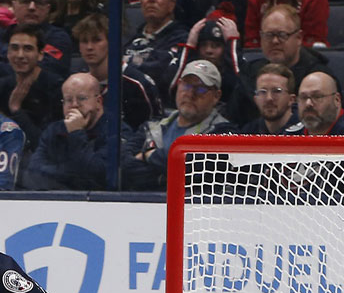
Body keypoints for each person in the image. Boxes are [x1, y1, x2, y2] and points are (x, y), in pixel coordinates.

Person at [122, 60, 231, 190]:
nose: (190, 94)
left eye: (201, 89)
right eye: (187, 86)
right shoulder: (151, 127)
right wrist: (170, 176)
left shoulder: (225, 132)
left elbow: (197, 166)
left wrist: (148, 155)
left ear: (216, 96)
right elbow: (124, 166)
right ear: (178, 85)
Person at [21, 73, 138, 190]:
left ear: (98, 101)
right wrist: (74, 175)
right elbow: (34, 171)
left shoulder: (117, 131)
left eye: (82, 98)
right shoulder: (54, 130)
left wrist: (76, 132)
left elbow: (99, 175)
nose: (74, 105)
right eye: (68, 100)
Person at [230, 4, 330, 123]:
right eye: (269, 35)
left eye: (282, 35)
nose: (275, 41)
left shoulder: (319, 79)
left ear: (299, 38)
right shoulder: (250, 73)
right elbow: (234, 120)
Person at [71, 14, 162, 129]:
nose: (89, 47)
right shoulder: (75, 84)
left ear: (111, 43)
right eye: (84, 41)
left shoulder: (138, 84)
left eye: (96, 40)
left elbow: (153, 131)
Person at [0, 24, 64, 152]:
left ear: (40, 54)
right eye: (14, 48)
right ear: (8, 53)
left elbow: (46, 145)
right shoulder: (0, 87)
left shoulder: (56, 87)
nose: (20, 55)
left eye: (28, 49)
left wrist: (17, 110)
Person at [124, 0, 188, 105]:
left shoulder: (181, 38)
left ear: (171, 4)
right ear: (141, 2)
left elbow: (160, 75)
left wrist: (126, 64)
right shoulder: (131, 40)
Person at [169, 16, 242, 107]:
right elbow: (171, 88)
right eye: (203, 45)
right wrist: (190, 46)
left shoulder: (233, 73)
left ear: (226, 49)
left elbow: (241, 87)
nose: (208, 51)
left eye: (216, 45)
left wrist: (232, 43)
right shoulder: (189, 72)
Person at [212, 62, 300, 134]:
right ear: (255, 99)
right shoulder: (248, 132)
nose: (269, 98)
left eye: (276, 91)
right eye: (262, 92)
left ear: (291, 99)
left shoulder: (306, 132)